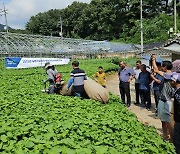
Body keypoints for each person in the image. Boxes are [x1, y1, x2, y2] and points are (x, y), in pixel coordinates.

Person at [152, 55, 174, 141]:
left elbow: (156, 70)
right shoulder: (169, 74)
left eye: (162, 66)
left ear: (165, 67)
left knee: (168, 121)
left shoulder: (169, 75)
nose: (161, 67)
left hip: (168, 100)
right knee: (163, 119)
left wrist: (153, 60)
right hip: (163, 99)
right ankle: (165, 136)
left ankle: (172, 138)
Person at [170, 73, 180, 154]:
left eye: (171, 80)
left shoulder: (178, 93)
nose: (170, 82)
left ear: (175, 82)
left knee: (177, 142)